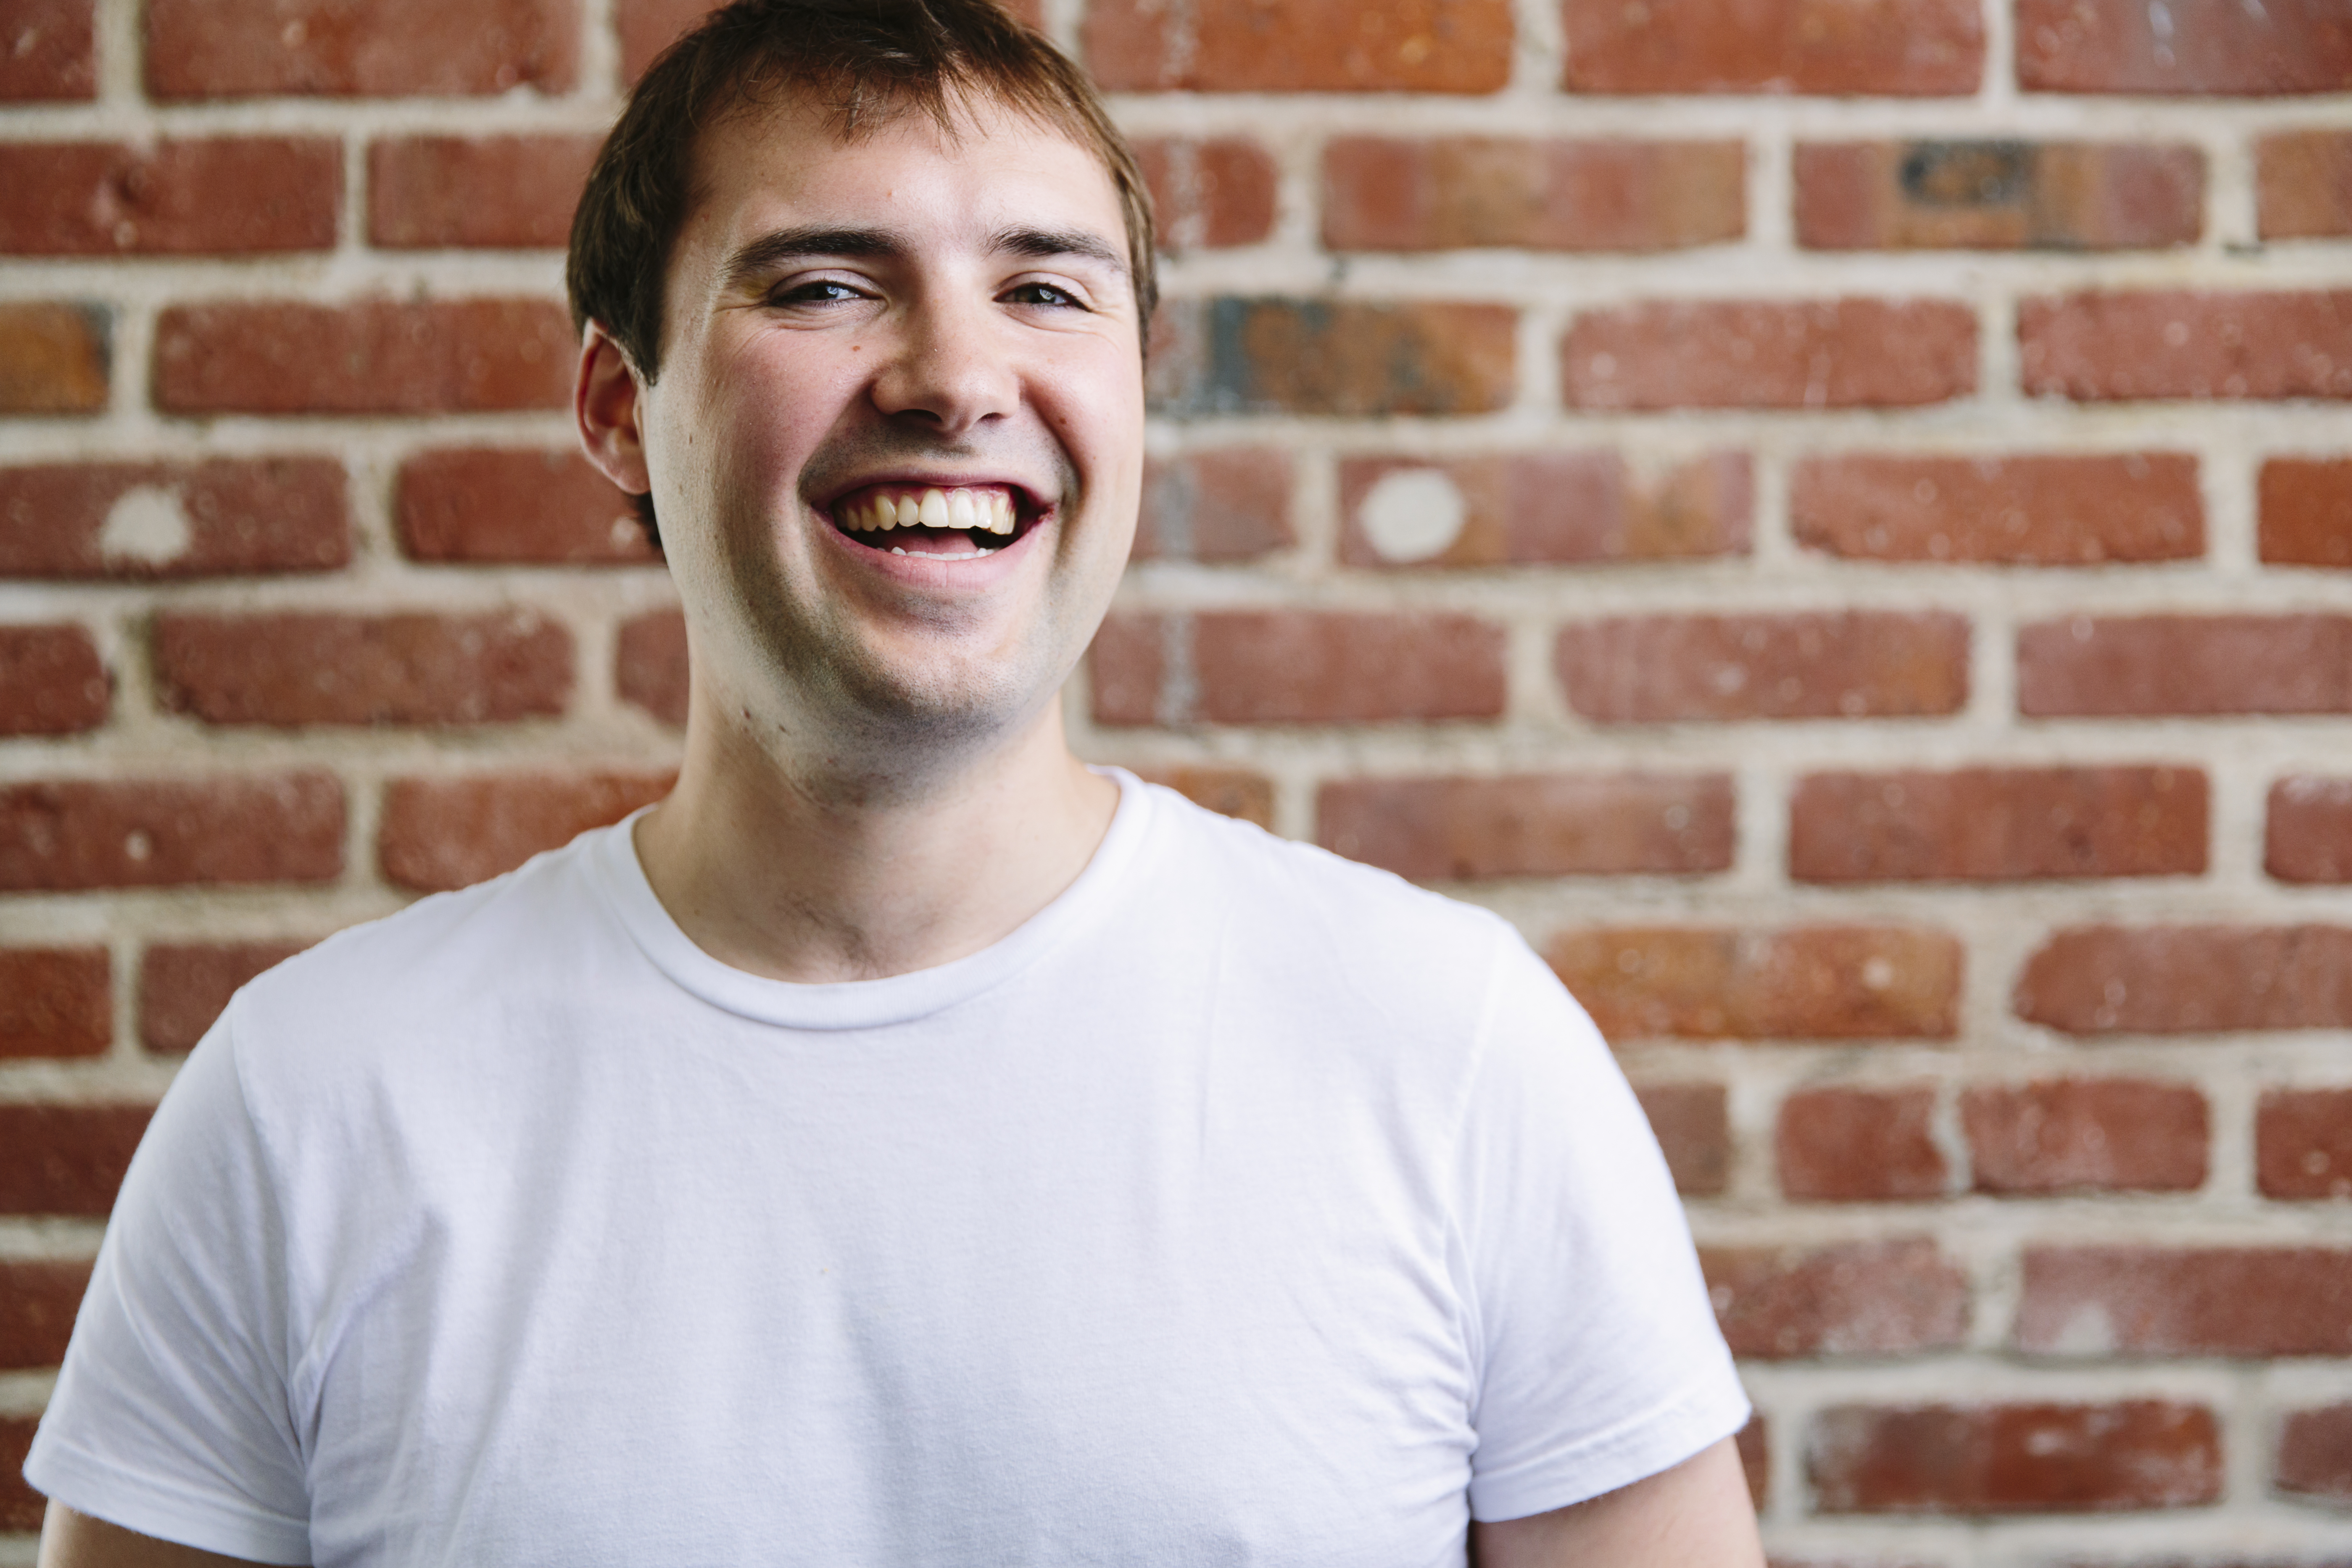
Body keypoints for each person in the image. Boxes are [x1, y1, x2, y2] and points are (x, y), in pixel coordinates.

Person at [25, 0, 1763, 1562]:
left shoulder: (1448, 1051)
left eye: (1044, 289)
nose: (955, 377)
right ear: (621, 411)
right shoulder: (314, 1100)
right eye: (824, 283)